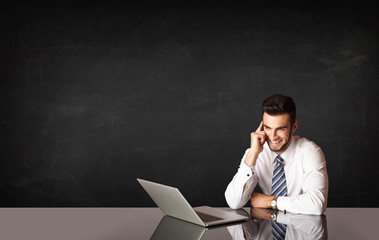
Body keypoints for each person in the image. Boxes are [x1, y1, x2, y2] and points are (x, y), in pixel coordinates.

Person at [225, 94, 328, 215]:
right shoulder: (256, 152)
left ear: (294, 127)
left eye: (280, 129)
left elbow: (317, 205)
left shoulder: (310, 152)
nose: (273, 136)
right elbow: (234, 202)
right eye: (268, 128)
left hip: (303, 228)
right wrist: (253, 153)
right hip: (267, 226)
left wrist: (270, 202)